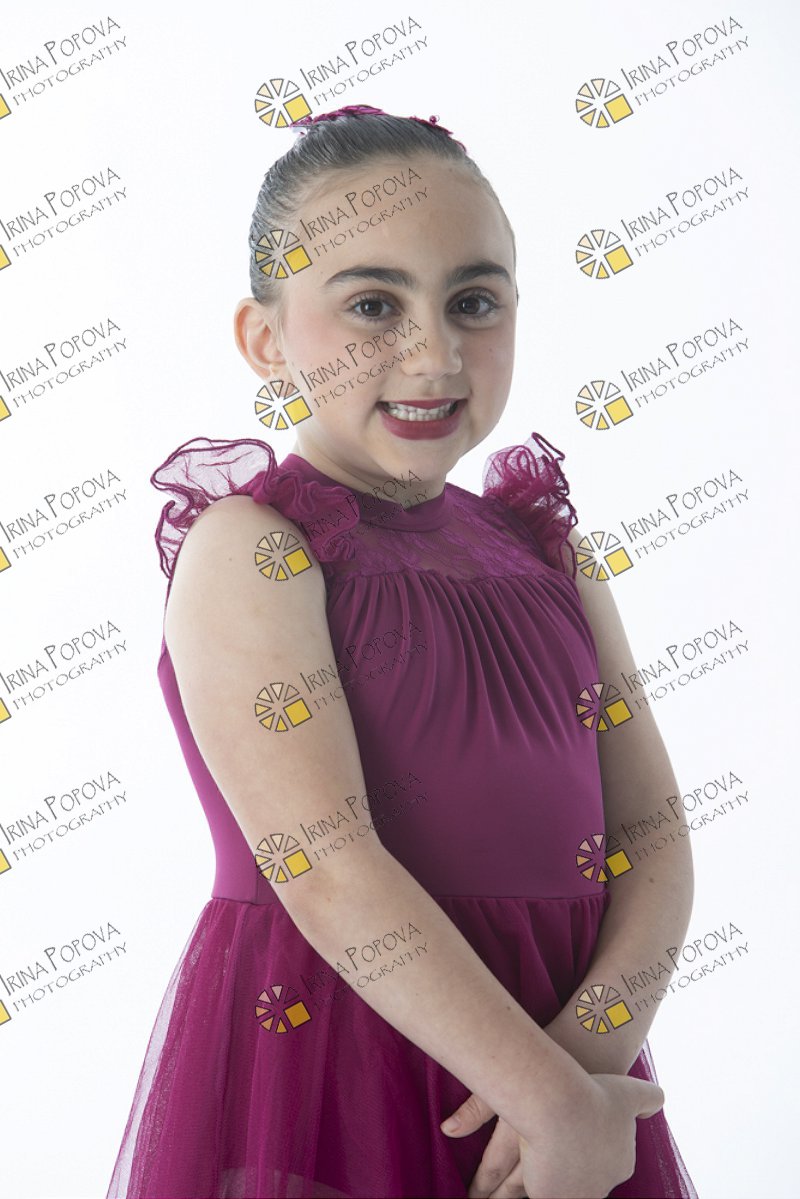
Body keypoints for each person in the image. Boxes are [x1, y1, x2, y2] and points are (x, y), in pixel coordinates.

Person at [106, 106, 697, 1199]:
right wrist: (543, 1097)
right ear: (266, 338)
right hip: (331, 1058)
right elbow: (325, 863)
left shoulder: (550, 553)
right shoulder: (257, 549)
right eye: (373, 305)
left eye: (473, 302)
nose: (433, 354)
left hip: (563, 1055)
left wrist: (582, 1069)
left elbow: (652, 840)